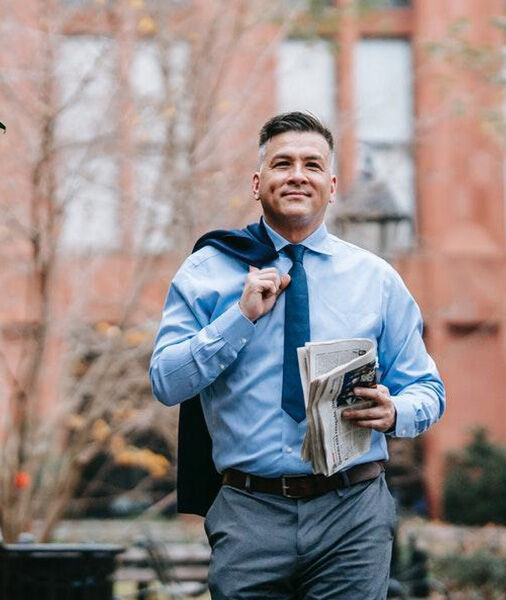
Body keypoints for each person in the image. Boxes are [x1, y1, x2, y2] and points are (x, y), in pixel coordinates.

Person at [149, 112, 445, 599]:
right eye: (281, 163)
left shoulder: (376, 279)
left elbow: (428, 390)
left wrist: (396, 412)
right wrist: (237, 319)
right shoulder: (207, 272)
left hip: (351, 510)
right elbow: (165, 380)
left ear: (330, 185)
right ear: (257, 181)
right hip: (250, 511)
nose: (296, 174)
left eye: (312, 164)